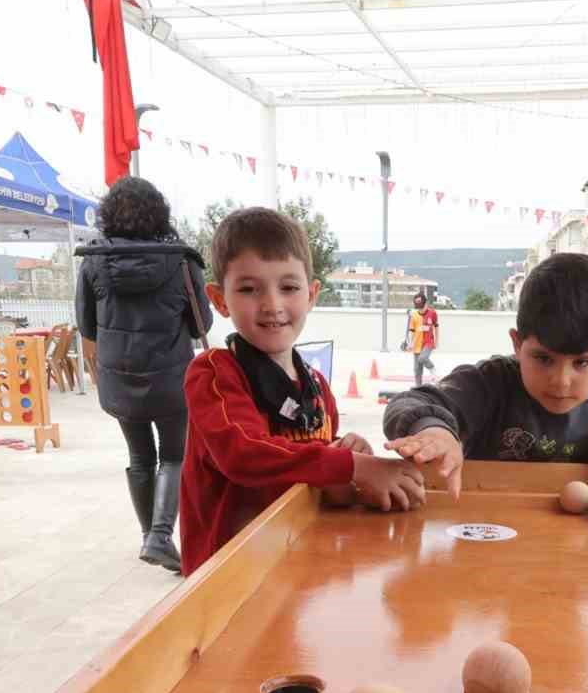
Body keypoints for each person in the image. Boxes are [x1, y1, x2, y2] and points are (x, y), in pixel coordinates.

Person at [181, 207, 425, 575]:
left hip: (296, 563)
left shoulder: (316, 385)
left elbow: (307, 460)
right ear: (218, 299)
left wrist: (344, 449)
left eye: (289, 287)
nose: (272, 305)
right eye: (249, 289)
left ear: (311, 295)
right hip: (228, 581)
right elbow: (245, 452)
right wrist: (352, 466)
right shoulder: (214, 374)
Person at [382, 252, 588, 496]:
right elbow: (407, 403)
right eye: (543, 358)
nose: (561, 380)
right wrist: (434, 429)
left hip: (577, 542)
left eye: (582, 363)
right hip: (486, 527)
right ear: (517, 344)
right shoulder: (490, 384)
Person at [76, 176, 206, 574]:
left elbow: (87, 324)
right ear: (159, 214)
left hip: (119, 376)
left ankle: (151, 536)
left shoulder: (93, 262)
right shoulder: (181, 261)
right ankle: (160, 537)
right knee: (173, 455)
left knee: (139, 456)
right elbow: (202, 321)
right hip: (171, 377)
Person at [410, 291, 439, 386]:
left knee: (423, 358)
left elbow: (436, 326)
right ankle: (418, 387)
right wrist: (410, 343)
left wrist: (437, 341)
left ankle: (432, 369)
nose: (418, 304)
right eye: (416, 302)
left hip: (428, 342)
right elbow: (412, 331)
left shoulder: (433, 313)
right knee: (417, 369)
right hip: (417, 344)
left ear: (425, 302)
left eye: (420, 302)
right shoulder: (414, 315)